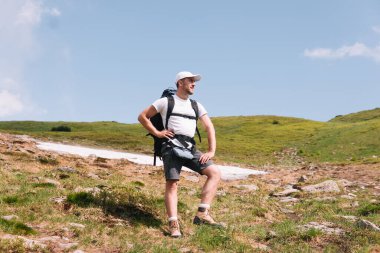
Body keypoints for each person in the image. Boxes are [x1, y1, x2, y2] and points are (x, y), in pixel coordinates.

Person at [138, 71, 221, 238]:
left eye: (194, 81)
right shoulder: (165, 102)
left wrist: (211, 151)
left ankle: (202, 214)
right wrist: (158, 133)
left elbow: (209, 127)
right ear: (180, 82)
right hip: (170, 146)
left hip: (190, 147)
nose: (194, 84)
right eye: (190, 80)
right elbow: (142, 116)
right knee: (172, 183)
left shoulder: (196, 105)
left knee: (215, 173)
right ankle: (173, 223)